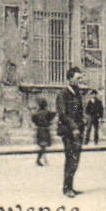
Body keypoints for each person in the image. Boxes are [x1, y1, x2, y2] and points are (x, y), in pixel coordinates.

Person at [55, 67, 86, 197]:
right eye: (77, 78)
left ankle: (71, 186)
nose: (79, 81)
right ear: (70, 79)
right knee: (70, 158)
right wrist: (73, 128)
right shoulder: (62, 94)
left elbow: (80, 112)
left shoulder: (78, 93)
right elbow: (63, 114)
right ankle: (67, 188)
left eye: (80, 78)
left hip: (78, 131)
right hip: (68, 131)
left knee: (75, 159)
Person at [30, 98, 55, 166]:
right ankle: (39, 160)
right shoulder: (48, 112)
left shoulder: (36, 113)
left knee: (42, 145)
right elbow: (53, 116)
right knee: (43, 146)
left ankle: (41, 159)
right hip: (45, 130)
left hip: (39, 130)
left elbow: (33, 120)